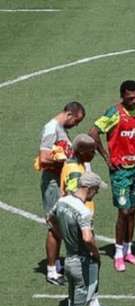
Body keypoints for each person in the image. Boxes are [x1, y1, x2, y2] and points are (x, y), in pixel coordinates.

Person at [89, 80, 135, 271]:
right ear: (123, 96)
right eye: (131, 98)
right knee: (124, 211)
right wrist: (106, 156)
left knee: (132, 211)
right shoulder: (114, 113)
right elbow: (94, 132)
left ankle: (128, 250)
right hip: (120, 171)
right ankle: (118, 253)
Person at [47, 172, 107, 306]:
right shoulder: (83, 211)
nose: (95, 194)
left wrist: (62, 234)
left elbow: (50, 218)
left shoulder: (63, 202)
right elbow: (88, 238)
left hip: (69, 259)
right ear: (89, 188)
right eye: (95, 191)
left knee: (73, 303)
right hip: (81, 262)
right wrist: (96, 254)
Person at [61, 134, 114, 306]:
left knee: (91, 267)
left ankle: (94, 304)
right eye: (91, 151)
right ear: (82, 151)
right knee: (85, 267)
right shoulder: (75, 171)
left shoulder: (77, 165)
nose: (94, 154)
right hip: (81, 225)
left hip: (84, 221)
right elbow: (73, 196)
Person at [38, 101, 85, 285]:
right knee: (55, 226)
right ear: (70, 114)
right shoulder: (52, 128)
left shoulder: (60, 129)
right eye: (77, 120)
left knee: (60, 223)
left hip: (60, 182)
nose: (76, 124)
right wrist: (64, 160)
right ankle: (51, 271)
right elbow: (43, 157)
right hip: (52, 183)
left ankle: (56, 264)